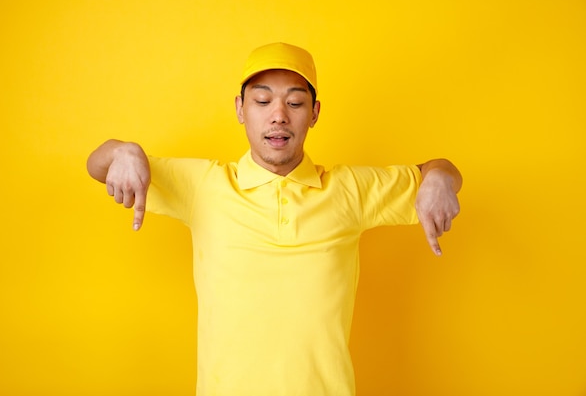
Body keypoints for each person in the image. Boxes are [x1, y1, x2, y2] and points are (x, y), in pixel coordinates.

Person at [87, 42, 462, 396]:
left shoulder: (350, 189)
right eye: (263, 100)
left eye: (295, 102)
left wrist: (441, 177)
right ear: (239, 109)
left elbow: (436, 170)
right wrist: (123, 151)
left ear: (314, 113)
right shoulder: (204, 186)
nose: (278, 115)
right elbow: (98, 164)